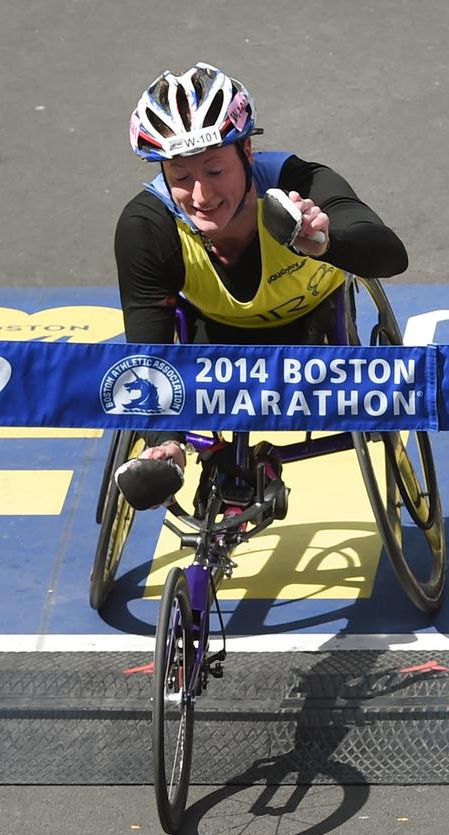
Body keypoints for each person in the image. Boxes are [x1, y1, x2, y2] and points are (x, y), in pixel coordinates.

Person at [113, 62, 408, 510]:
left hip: (315, 339)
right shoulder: (146, 227)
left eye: (214, 170)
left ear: (247, 151)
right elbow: (148, 346)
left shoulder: (301, 183)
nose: (200, 195)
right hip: (214, 343)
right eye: (180, 177)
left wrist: (326, 242)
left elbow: (391, 255)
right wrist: (165, 441)